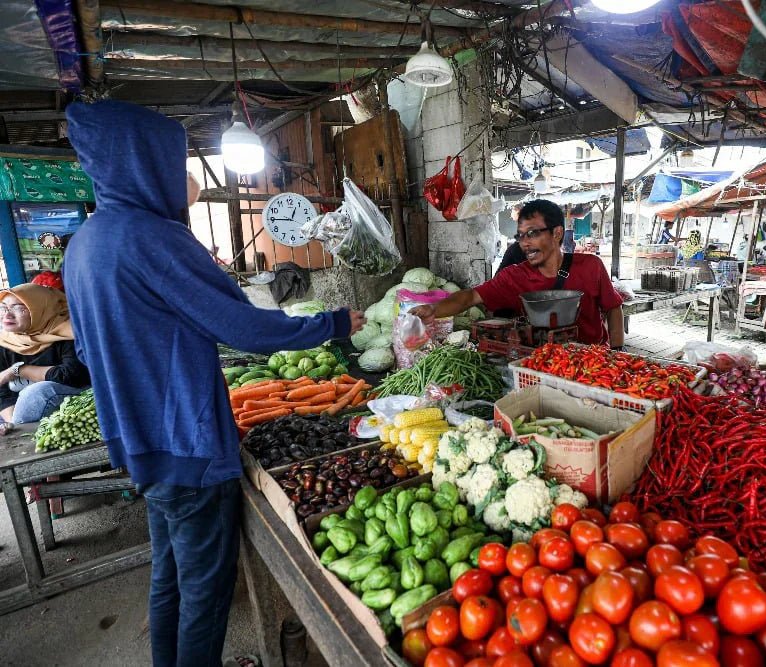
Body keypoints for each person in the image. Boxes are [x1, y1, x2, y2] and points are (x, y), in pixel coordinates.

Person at [63, 100, 365, 667]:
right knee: (206, 589)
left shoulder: (87, 242)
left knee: (170, 574)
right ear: (142, 163)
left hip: (139, 444)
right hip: (188, 445)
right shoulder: (154, 239)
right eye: (170, 162)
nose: (183, 180)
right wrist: (332, 322)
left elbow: (86, 352)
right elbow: (244, 328)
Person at [412, 199, 624, 347]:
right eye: (521, 236)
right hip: (546, 364)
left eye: (532, 234)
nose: (524, 243)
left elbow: (614, 309)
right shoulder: (514, 276)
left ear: (557, 233)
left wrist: (616, 351)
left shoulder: (591, 266)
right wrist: (434, 309)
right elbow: (470, 296)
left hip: (594, 361)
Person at [0, 283, 89, 427]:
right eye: (3, 307)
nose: (7, 314)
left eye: (18, 308)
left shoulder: (68, 333)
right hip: (21, 415)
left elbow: (71, 375)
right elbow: (2, 392)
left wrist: (19, 370)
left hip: (76, 403)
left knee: (38, 392)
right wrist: (11, 424)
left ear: (40, 309)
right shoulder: (6, 341)